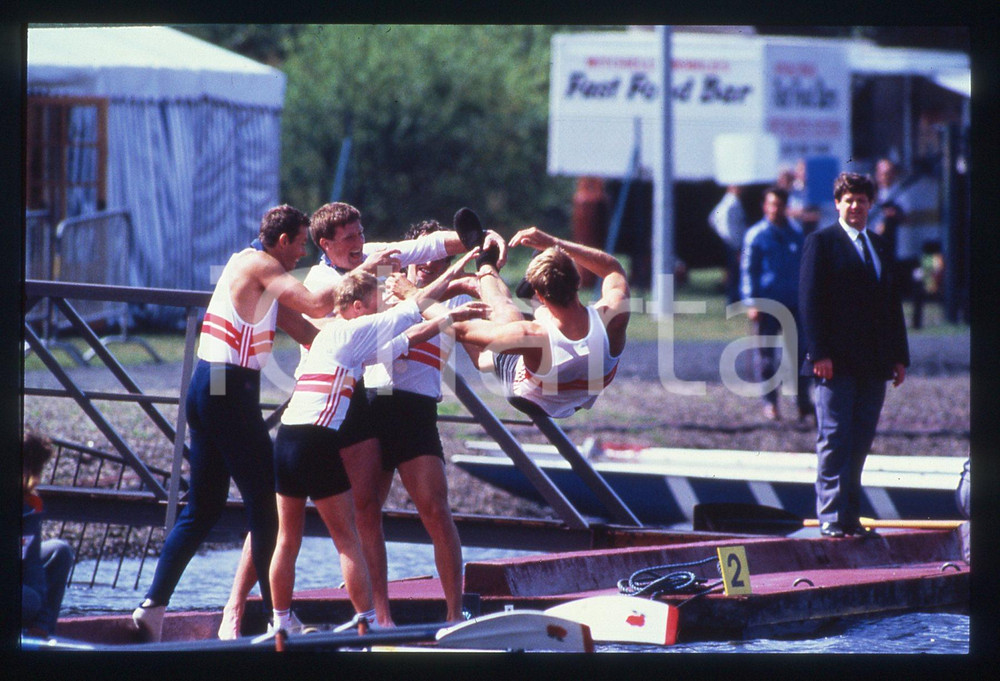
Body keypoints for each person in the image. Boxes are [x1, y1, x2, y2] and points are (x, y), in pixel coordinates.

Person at [219, 203, 506, 634]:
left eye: (361, 235)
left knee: (375, 516)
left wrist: (477, 241)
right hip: (330, 408)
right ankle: (239, 608)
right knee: (304, 522)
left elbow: (421, 261)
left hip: (371, 406)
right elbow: (398, 321)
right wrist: (443, 292)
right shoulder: (322, 283)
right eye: (350, 239)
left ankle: (387, 619)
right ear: (325, 245)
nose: (360, 244)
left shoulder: (376, 267)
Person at [133, 205, 338, 642]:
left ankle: (152, 608)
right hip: (228, 388)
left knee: (203, 508)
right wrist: (369, 271)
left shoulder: (253, 273)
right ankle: (278, 618)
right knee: (268, 505)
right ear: (281, 240)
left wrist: (358, 352)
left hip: (209, 385)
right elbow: (319, 304)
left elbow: (307, 332)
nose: (303, 253)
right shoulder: (261, 263)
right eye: (301, 243)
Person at [268, 251, 486, 634]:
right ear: (356, 307)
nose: (380, 308)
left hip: (285, 437)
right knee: (347, 538)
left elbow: (407, 336)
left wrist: (451, 317)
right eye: (374, 305)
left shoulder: (333, 336)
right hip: (317, 439)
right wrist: (457, 271)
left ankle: (280, 622)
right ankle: (369, 623)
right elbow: (416, 306)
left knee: (287, 538)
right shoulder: (358, 331)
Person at [364, 220, 480, 623]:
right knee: (367, 512)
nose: (428, 264)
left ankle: (453, 614)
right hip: (373, 405)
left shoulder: (449, 305)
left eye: (438, 259)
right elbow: (361, 249)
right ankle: (380, 616)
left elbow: (453, 322)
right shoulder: (380, 284)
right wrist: (398, 256)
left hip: (416, 412)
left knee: (435, 509)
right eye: (422, 256)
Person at [799, 172, 909, 538]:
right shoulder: (822, 243)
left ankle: (850, 516)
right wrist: (819, 353)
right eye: (849, 200)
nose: (855, 207)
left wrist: (899, 357)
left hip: (873, 363)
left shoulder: (878, 246)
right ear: (837, 204)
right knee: (834, 439)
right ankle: (830, 516)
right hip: (834, 363)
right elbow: (810, 302)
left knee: (860, 441)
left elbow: (892, 305)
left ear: (869, 204)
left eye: (861, 201)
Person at [451, 224, 630, 420]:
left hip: (532, 399)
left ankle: (485, 263)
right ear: (578, 281)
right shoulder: (613, 316)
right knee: (524, 331)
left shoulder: (530, 335)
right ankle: (536, 302)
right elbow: (614, 269)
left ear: (540, 295)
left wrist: (418, 300)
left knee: (503, 314)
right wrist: (554, 243)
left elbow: (459, 330)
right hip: (581, 398)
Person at [740, 187, 813, 422]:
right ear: (765, 206)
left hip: (793, 304)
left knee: (801, 355)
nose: (775, 209)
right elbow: (748, 272)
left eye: (779, 205)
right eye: (771, 204)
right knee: (766, 357)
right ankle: (770, 403)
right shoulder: (756, 235)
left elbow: (805, 268)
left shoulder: (796, 234)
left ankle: (803, 402)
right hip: (767, 306)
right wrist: (752, 302)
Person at [21, 431, 75, 638]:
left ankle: (41, 634)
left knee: (59, 551)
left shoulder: (29, 505)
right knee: (29, 599)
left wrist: (41, 622)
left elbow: (32, 566)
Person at [708, 185, 747, 305]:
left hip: (731, 242)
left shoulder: (727, 203)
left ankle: (733, 297)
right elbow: (717, 219)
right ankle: (733, 298)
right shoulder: (731, 204)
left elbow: (713, 218)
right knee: (734, 271)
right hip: (734, 243)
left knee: (732, 271)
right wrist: (728, 237)